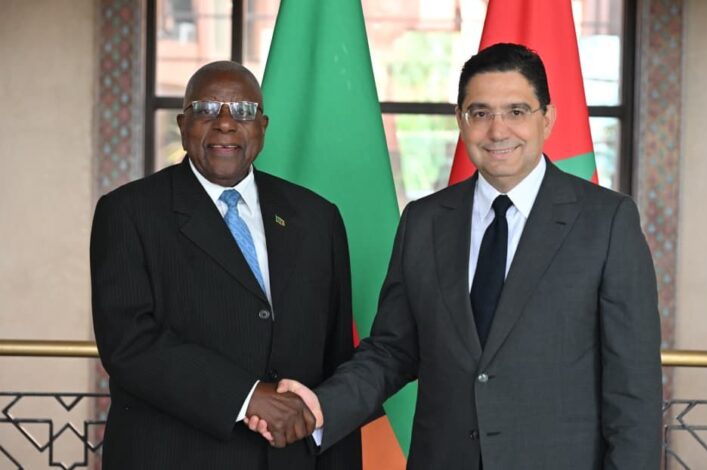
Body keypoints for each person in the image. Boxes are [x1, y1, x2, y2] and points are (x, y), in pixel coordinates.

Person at [249, 43, 662, 469]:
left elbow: (634, 390)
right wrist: (320, 407)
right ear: (461, 121)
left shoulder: (606, 223)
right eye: (480, 113)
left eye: (516, 111)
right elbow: (393, 351)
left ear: (548, 119)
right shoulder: (424, 221)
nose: (498, 131)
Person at [90, 61, 361, 469]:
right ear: (182, 125)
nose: (225, 124)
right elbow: (129, 343)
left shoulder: (317, 218)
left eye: (243, 111)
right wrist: (247, 397)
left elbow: (336, 357)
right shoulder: (128, 212)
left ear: (263, 127)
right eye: (205, 109)